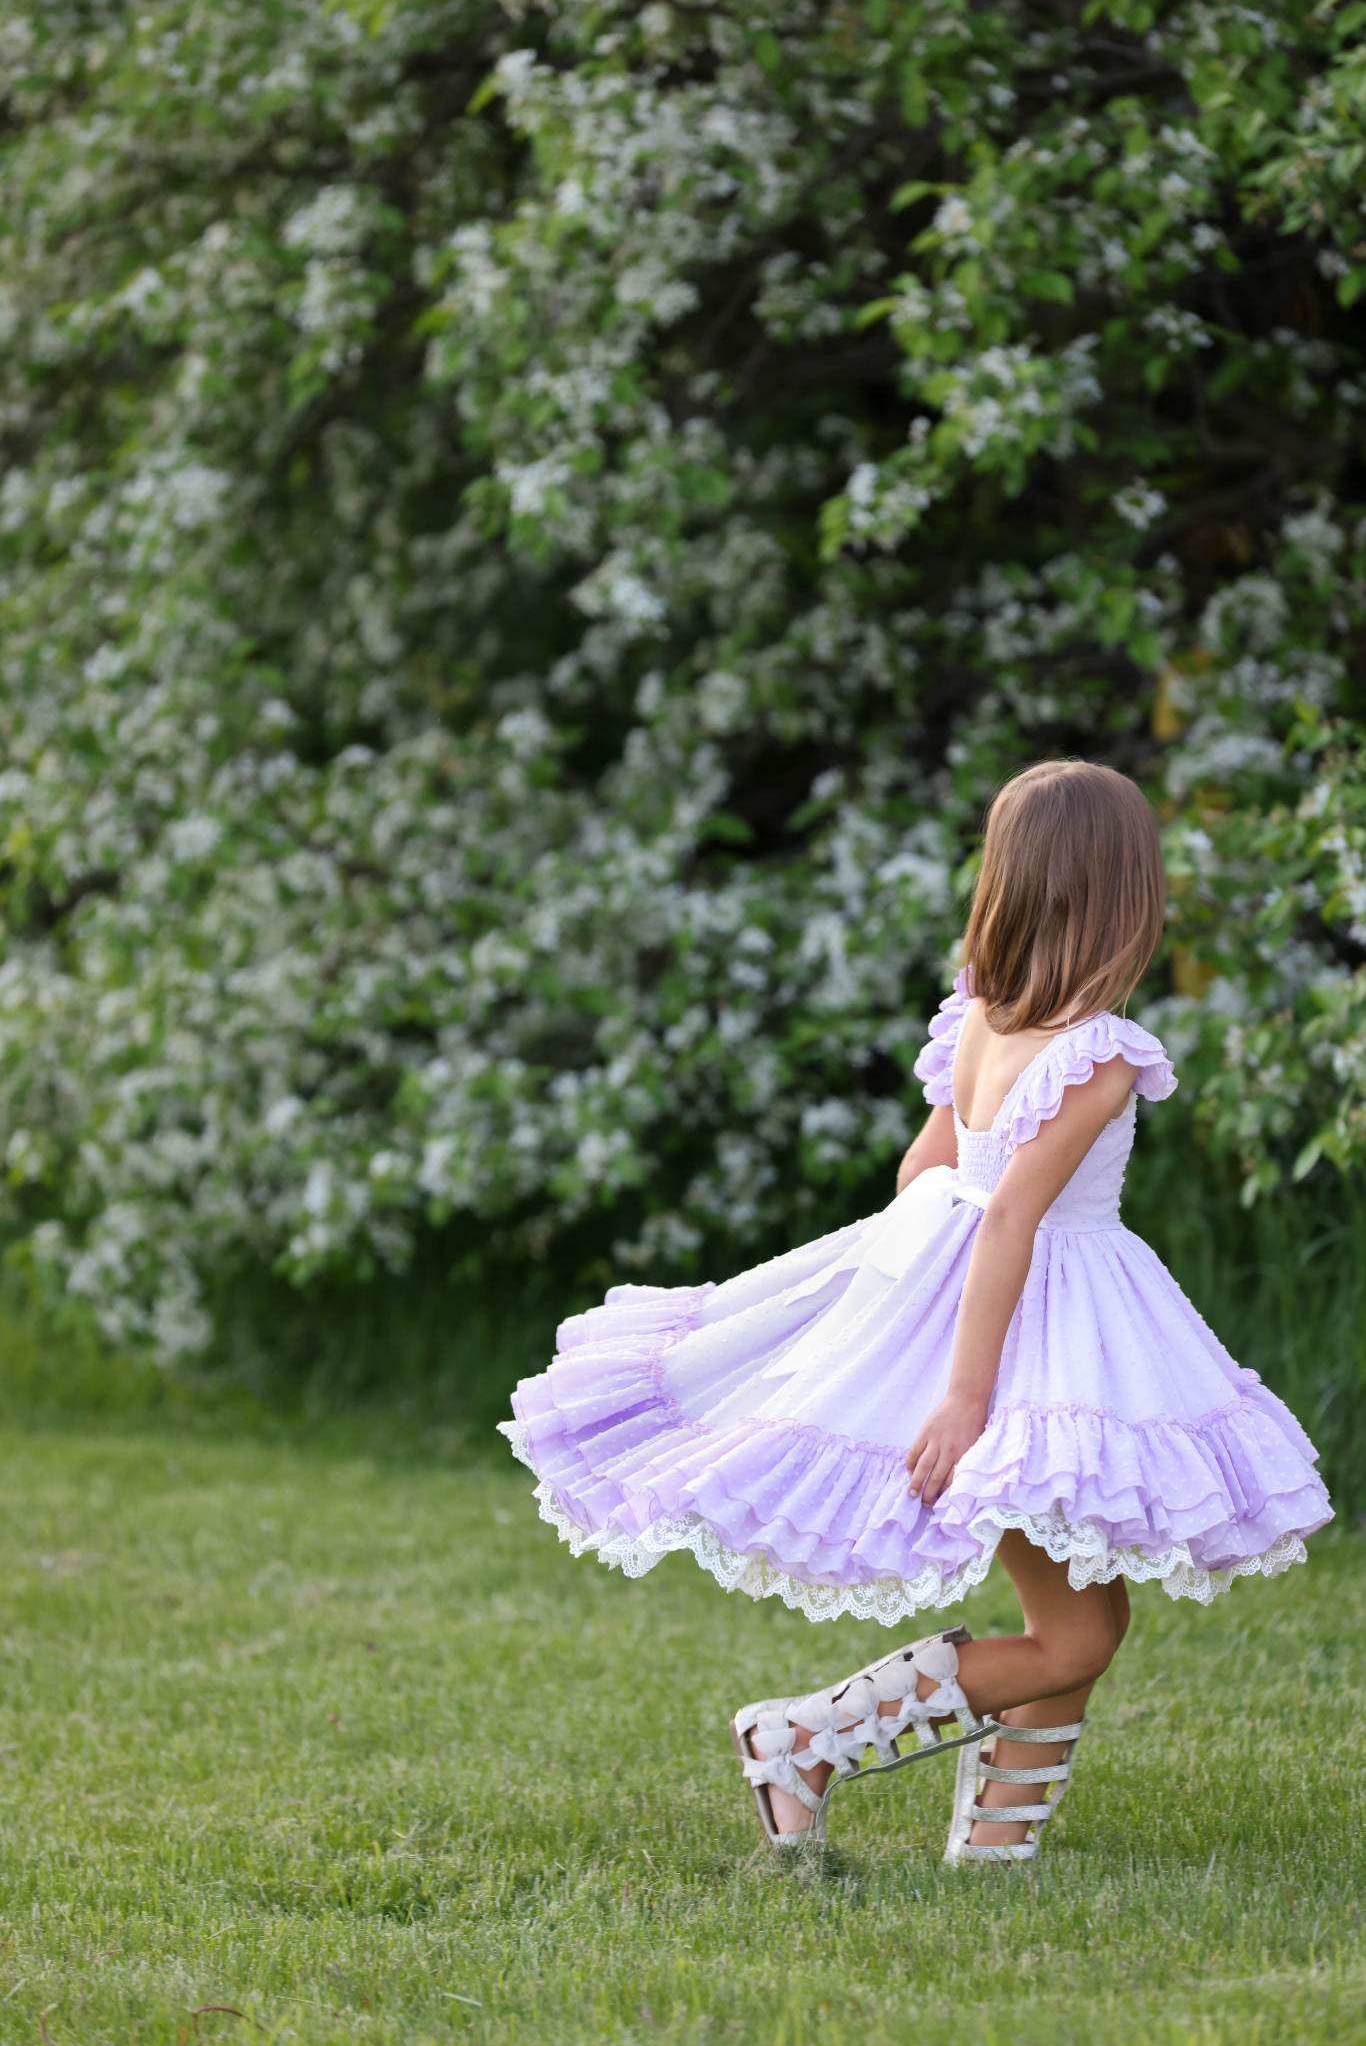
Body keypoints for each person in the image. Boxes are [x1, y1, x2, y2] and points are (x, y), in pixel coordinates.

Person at [499, 760, 1333, 1864]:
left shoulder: (979, 1016)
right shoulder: (1099, 1051)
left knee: (1074, 1618)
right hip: (1043, 1330)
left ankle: (994, 1845)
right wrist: (965, 1393)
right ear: (1123, 891)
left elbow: (925, 1173)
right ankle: (801, 1737)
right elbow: (1010, 1221)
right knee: (1080, 1626)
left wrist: (903, 1312)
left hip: (1001, 1309)